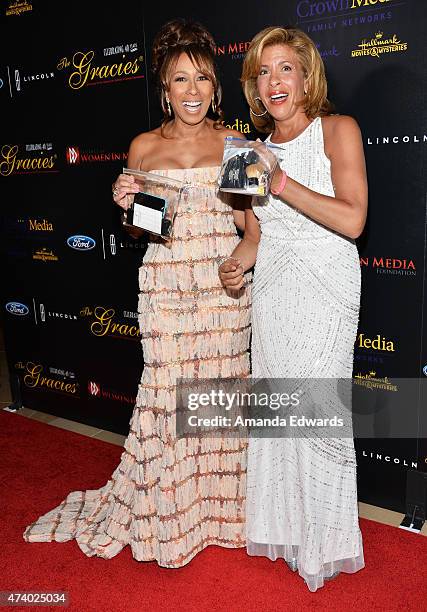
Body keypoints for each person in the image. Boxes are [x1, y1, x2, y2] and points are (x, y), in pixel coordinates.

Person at [23, 19, 251, 568]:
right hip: (167, 290)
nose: (192, 91)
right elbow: (138, 231)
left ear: (215, 87)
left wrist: (243, 260)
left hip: (223, 294)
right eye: (180, 80)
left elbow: (253, 224)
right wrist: (125, 202)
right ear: (164, 89)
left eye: (201, 78)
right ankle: (169, 517)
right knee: (167, 399)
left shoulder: (238, 144)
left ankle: (219, 516)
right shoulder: (143, 146)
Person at [219, 26, 367, 591]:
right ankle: (287, 529)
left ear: (306, 76)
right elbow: (256, 235)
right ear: (254, 87)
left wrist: (279, 180)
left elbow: (353, 219)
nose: (274, 81)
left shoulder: (339, 129)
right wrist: (237, 263)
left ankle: (325, 544)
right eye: (263, 71)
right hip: (275, 289)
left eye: (285, 68)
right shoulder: (245, 151)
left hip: (326, 285)